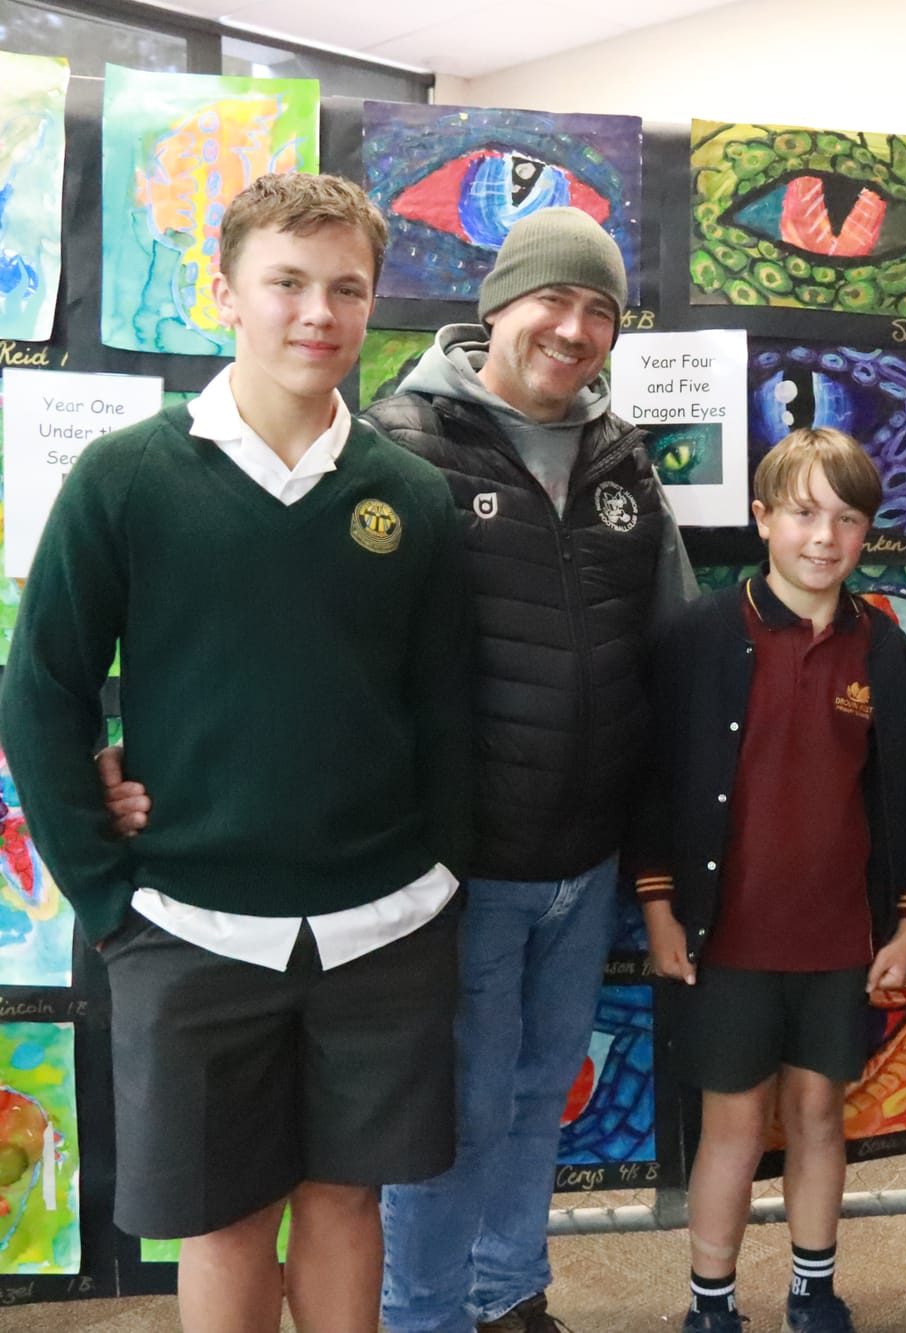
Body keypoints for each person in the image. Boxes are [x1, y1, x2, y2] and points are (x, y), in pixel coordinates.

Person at [101, 203, 698, 1333]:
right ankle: (425, 1315)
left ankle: (508, 1291)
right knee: (449, 1120)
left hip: (587, 860)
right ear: (496, 306)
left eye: (599, 310)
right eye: (552, 299)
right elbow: (302, 662)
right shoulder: (400, 444)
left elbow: (666, 647)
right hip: (456, 867)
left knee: (539, 1092)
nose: (573, 329)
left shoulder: (624, 455)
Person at [2, 173, 473, 1332]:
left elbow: (450, 710)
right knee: (221, 1219)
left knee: (346, 1197)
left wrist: (443, 872)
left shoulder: (411, 497)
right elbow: (44, 688)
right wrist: (105, 893)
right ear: (224, 293)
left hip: (384, 926)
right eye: (287, 282)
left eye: (346, 288)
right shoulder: (127, 477)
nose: (318, 312)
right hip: (188, 928)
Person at [638, 427, 906, 1333]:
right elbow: (653, 780)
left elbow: (903, 794)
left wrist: (905, 923)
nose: (824, 537)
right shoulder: (699, 636)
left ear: (867, 532)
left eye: (847, 519)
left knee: (816, 1115)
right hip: (726, 938)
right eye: (804, 513)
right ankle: (712, 1303)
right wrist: (659, 906)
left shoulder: (880, 647)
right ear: (763, 518)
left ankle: (813, 1290)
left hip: (838, 938)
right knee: (731, 1125)